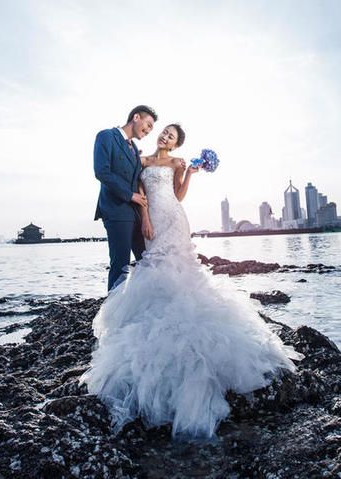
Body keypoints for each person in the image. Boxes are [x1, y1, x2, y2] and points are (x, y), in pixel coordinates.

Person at [81, 123, 304, 441]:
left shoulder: (177, 162)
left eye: (171, 136)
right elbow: (140, 195)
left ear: (175, 144)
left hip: (174, 216)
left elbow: (179, 195)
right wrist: (144, 218)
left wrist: (190, 174)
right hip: (152, 218)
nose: (165, 136)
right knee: (155, 263)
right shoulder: (141, 160)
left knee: (180, 266)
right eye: (163, 132)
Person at [93, 105, 157, 291]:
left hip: (136, 213)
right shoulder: (106, 136)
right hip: (116, 209)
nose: (149, 131)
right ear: (136, 117)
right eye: (148, 124)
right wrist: (130, 195)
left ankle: (142, 301)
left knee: (146, 259)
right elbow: (102, 172)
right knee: (120, 263)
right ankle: (113, 307)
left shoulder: (134, 148)